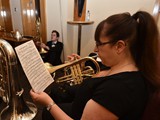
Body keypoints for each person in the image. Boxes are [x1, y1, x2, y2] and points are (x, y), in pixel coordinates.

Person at [30, 11, 160, 120]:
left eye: (99, 44)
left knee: (47, 112)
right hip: (78, 107)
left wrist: (49, 104)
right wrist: (79, 68)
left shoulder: (118, 89)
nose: (95, 49)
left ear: (119, 46)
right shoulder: (116, 65)